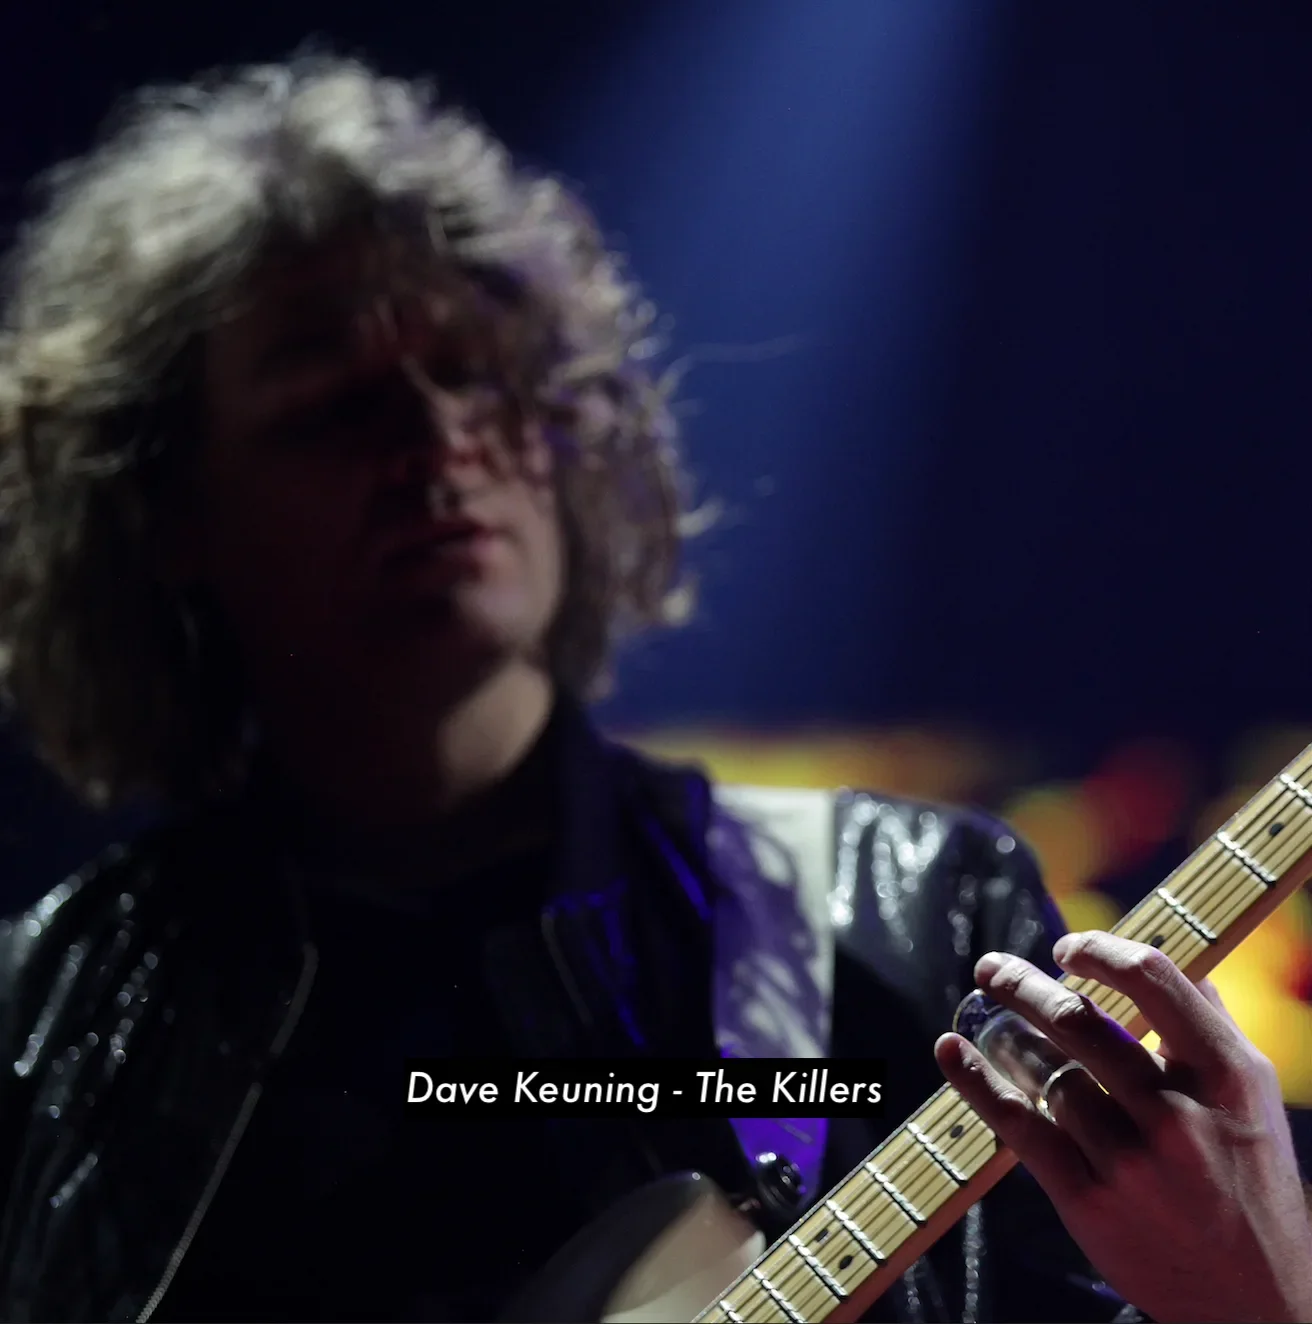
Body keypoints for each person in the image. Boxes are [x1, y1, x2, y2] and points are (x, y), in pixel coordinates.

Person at [0, 54, 1305, 1324]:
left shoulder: (902, 917)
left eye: (474, 369)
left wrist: (1251, 1303)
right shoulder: (50, 1021)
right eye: (334, 400)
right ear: (159, 507)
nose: (437, 436)